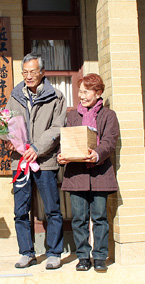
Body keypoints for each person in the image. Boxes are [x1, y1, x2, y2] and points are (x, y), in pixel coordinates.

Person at [5, 53, 67, 270]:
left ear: (42, 72)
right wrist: (10, 140)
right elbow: (7, 122)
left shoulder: (56, 97)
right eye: (25, 72)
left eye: (32, 72)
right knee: (20, 210)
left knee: (52, 208)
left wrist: (37, 148)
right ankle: (26, 252)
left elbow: (57, 127)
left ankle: (54, 252)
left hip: (45, 160)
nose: (28, 76)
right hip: (20, 161)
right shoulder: (15, 95)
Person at [57, 73, 119, 272]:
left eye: (85, 91)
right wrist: (62, 155)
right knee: (79, 218)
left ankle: (100, 257)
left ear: (98, 92)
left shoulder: (109, 116)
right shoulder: (72, 116)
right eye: (79, 92)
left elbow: (110, 141)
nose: (81, 95)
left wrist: (98, 154)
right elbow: (66, 140)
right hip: (77, 174)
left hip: (100, 173)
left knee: (100, 217)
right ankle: (83, 257)